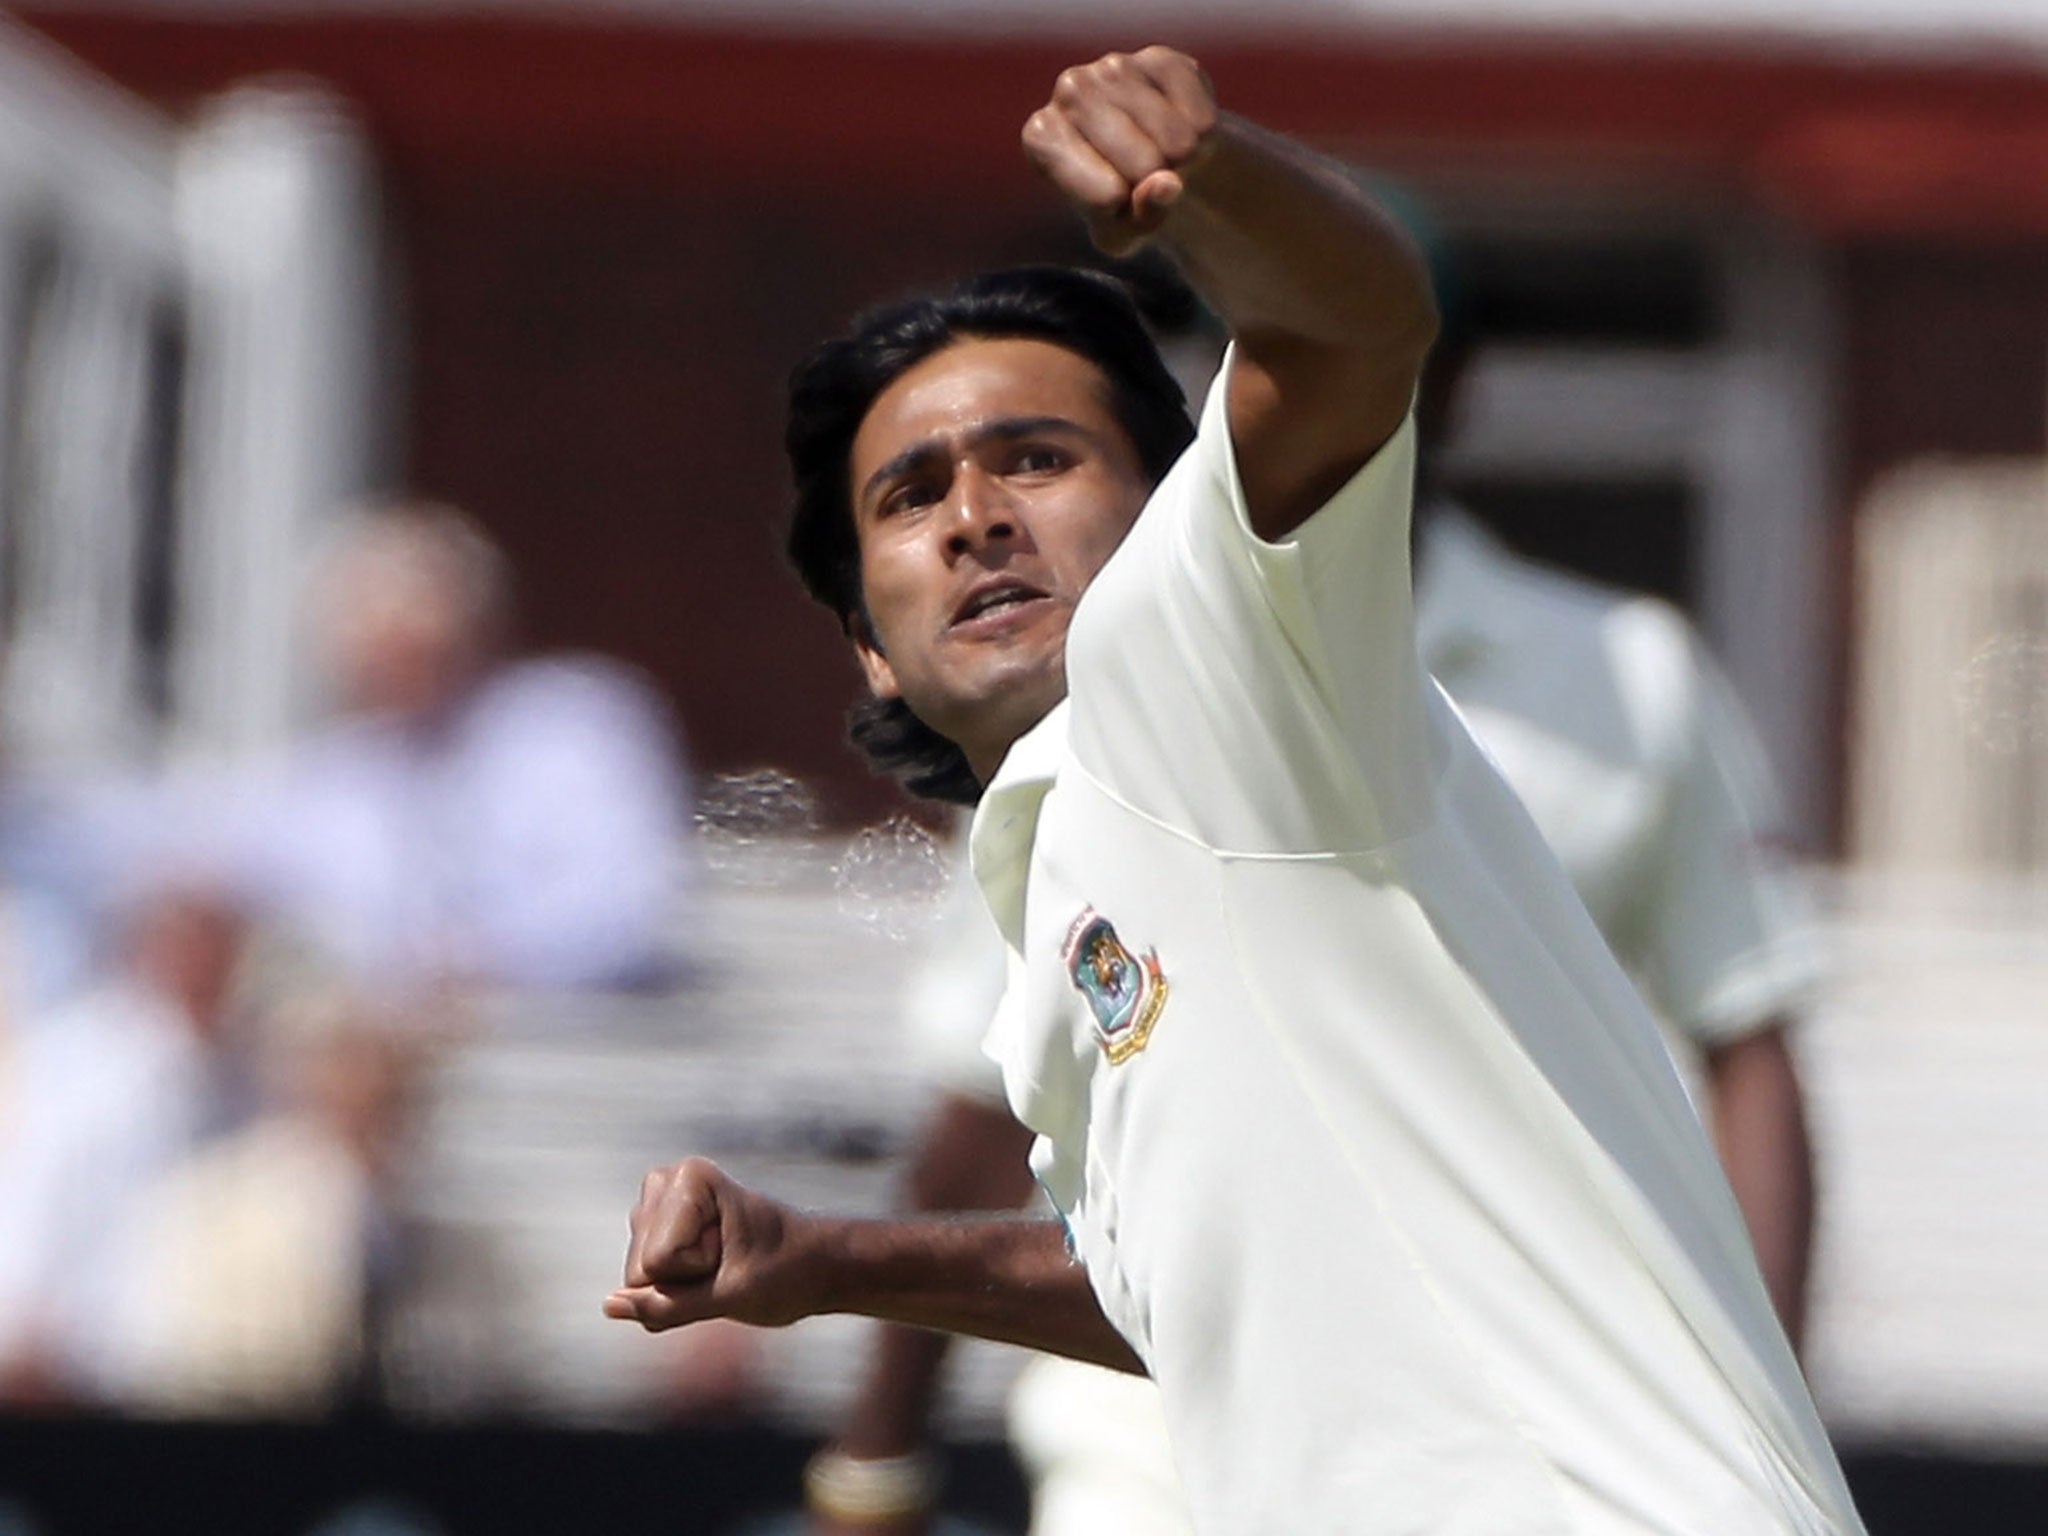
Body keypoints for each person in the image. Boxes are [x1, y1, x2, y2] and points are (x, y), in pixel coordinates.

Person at [610, 47, 1863, 1535]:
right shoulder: (1051, 892)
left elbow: (1362, 324)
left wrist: (1209, 181)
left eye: (1037, 458)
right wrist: (829, 1261)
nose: (976, 518)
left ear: (1172, 519)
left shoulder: (1203, 654)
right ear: (871, 654)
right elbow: (1181, 1286)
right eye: (911, 493)